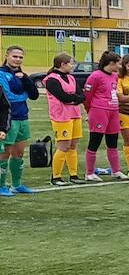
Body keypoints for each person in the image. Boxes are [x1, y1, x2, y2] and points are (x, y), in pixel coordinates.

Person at [81, 51, 127, 181]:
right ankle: (89, 173)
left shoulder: (114, 76)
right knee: (95, 141)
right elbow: (87, 97)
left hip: (113, 110)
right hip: (99, 110)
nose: (120, 66)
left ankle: (116, 170)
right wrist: (90, 111)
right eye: (118, 63)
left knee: (113, 142)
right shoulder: (95, 76)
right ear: (111, 63)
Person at [0, 46, 40, 195]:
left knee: (18, 153)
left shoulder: (22, 75)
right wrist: (23, 95)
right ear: (7, 56)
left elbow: (34, 95)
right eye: (15, 56)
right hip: (8, 119)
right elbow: (7, 96)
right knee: (4, 154)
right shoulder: (1, 73)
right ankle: (1, 185)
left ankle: (16, 185)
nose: (17, 59)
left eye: (20, 57)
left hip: (23, 117)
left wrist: (26, 80)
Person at [44, 53, 85, 186]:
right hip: (61, 116)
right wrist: (74, 98)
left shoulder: (71, 78)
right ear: (63, 64)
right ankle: (56, 177)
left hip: (75, 114)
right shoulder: (51, 79)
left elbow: (81, 96)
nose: (72, 66)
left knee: (73, 145)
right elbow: (63, 97)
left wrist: (74, 98)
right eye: (71, 63)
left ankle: (73, 174)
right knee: (63, 146)